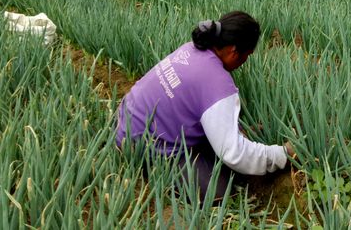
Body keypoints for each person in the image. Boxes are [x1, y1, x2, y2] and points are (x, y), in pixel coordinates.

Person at [116, 11, 294, 200]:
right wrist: (284, 153)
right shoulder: (218, 83)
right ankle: (153, 171)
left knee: (223, 143)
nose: (245, 62)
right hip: (146, 150)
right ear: (234, 51)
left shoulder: (191, 49)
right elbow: (235, 154)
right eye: (247, 55)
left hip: (124, 124)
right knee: (219, 190)